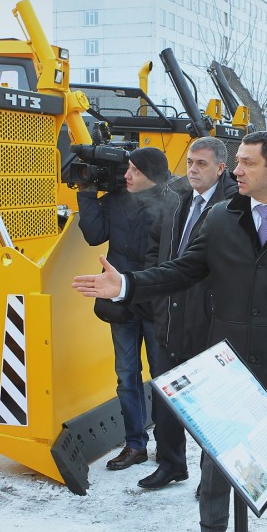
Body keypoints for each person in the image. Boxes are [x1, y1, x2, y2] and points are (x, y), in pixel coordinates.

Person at [72, 132, 267, 532]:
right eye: (237, 162)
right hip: (227, 362)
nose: (237, 171)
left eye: (248, 163)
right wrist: (129, 285)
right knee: (217, 456)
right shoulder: (220, 218)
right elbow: (183, 269)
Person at [137, 137, 237, 490]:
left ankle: (212, 475)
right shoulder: (174, 197)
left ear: (221, 168)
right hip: (167, 315)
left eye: (202, 164)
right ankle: (171, 464)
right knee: (165, 394)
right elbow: (154, 248)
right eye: (190, 162)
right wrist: (155, 298)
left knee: (208, 402)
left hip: (207, 319)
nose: (193, 170)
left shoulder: (234, 206)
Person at [75, 146, 171, 471]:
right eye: (126, 169)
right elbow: (94, 235)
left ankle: (168, 446)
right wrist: (87, 192)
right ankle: (135, 446)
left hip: (156, 304)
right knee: (126, 375)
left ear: (153, 176)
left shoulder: (172, 204)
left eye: (135, 171)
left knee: (162, 376)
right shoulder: (116, 199)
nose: (127, 175)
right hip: (120, 305)